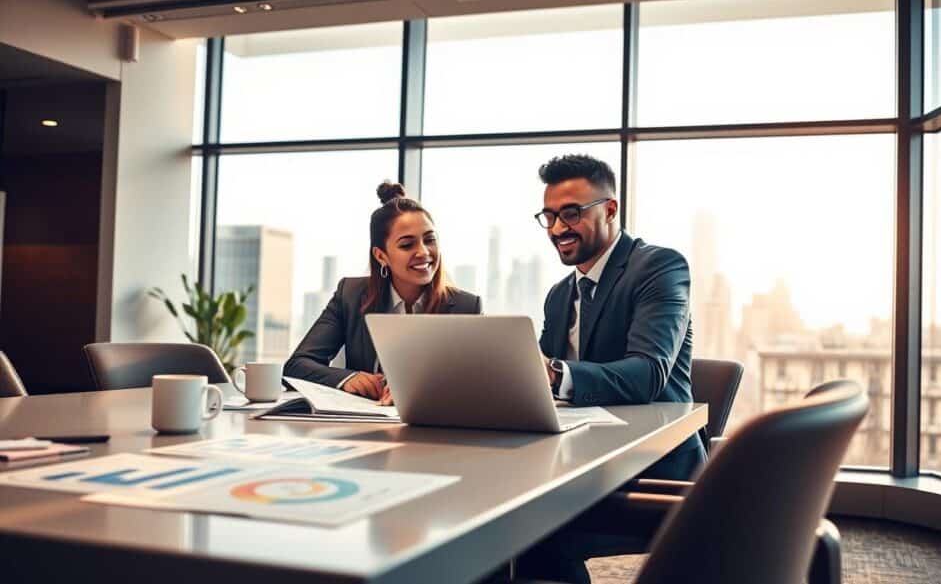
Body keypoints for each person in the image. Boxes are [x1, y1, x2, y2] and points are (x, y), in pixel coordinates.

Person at [519, 154, 704, 583]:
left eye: (571, 213)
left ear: (610, 209)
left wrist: (552, 374)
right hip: (577, 461)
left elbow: (649, 373)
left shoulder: (659, 267)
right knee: (491, 521)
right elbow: (542, 378)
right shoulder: (560, 293)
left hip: (653, 471)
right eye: (549, 216)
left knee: (526, 534)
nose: (558, 228)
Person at [284, 181, 482, 405]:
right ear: (381, 256)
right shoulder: (350, 295)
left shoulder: (466, 307)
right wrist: (349, 378)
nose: (424, 252)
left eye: (430, 240)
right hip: (368, 429)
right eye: (407, 245)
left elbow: (479, 382)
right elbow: (297, 365)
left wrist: (415, 391)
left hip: (437, 430)